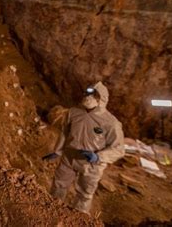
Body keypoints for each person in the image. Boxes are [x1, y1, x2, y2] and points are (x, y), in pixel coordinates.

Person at [42, 82, 125, 214]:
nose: (88, 96)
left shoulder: (111, 123)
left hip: (91, 164)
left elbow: (119, 149)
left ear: (101, 99)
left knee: (84, 194)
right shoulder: (73, 112)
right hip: (69, 157)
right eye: (87, 93)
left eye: (93, 94)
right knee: (59, 185)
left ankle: (78, 219)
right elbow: (65, 132)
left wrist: (99, 156)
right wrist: (58, 151)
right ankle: (51, 214)